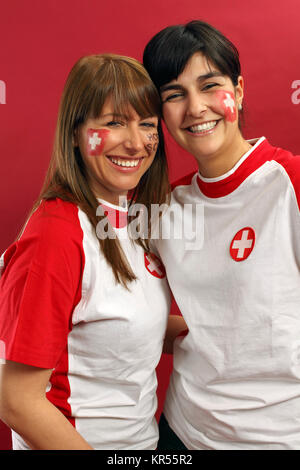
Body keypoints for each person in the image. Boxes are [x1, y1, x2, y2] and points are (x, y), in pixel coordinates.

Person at [0, 53, 185, 450]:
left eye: (147, 125)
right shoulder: (57, 234)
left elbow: (120, 326)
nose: (136, 142)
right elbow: (16, 400)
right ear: (75, 132)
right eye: (114, 123)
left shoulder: (130, 219)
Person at [143, 20, 300, 450]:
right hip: (181, 434)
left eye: (210, 86)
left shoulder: (291, 184)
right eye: (174, 95)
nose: (195, 108)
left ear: (240, 90)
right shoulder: (164, 207)